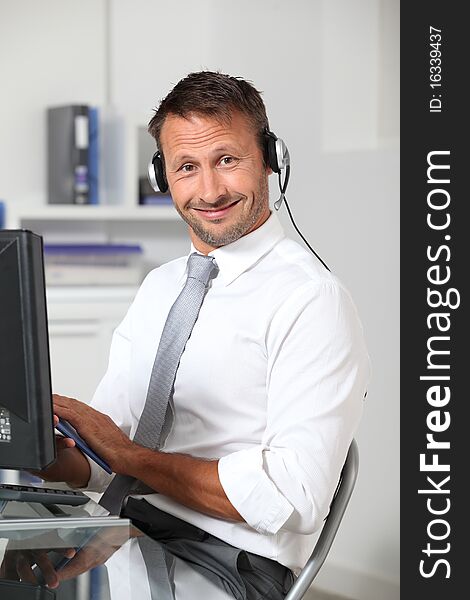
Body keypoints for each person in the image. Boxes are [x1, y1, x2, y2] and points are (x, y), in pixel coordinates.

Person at [39, 71, 370, 599]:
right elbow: (108, 464)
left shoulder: (310, 299)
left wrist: (127, 457)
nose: (209, 190)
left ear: (270, 159)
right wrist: (47, 453)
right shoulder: (159, 287)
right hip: (123, 532)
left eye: (228, 160)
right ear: (162, 176)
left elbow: (295, 497)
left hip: (227, 563)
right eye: (187, 167)